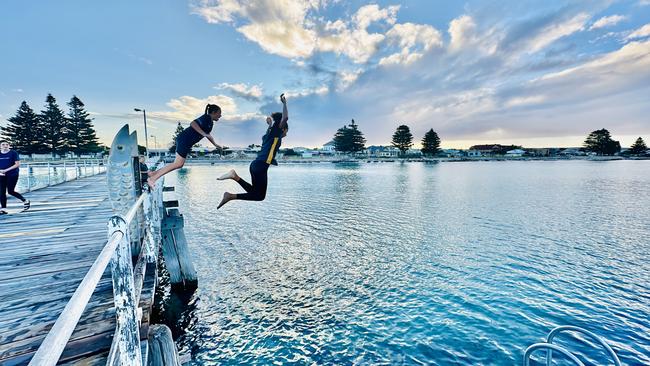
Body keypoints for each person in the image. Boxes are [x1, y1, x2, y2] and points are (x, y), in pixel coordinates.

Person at [217, 94, 288, 209]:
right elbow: (285, 118)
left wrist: (269, 124)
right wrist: (284, 103)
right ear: (282, 128)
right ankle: (231, 192)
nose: (286, 134)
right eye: (286, 131)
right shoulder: (277, 132)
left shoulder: (268, 135)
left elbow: (270, 130)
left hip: (256, 166)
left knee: (256, 193)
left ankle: (234, 181)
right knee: (259, 196)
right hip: (260, 166)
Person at [147, 104, 222, 188]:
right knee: (178, 164)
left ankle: (154, 174)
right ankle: (153, 178)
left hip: (186, 142)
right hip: (185, 140)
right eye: (219, 113)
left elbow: (208, 135)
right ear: (214, 112)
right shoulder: (206, 117)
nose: (220, 115)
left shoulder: (210, 123)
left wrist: (215, 144)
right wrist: (203, 133)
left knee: (178, 164)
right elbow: (193, 123)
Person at [0, 140, 30, 214]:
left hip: (12, 174)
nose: (5, 146)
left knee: (10, 191)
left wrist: (5, 170)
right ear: (0, 146)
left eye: (7, 144)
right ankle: (3, 208)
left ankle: (25, 200)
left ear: (9, 145)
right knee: (1, 192)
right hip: (1, 175)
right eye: (3, 144)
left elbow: (17, 164)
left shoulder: (13, 153)